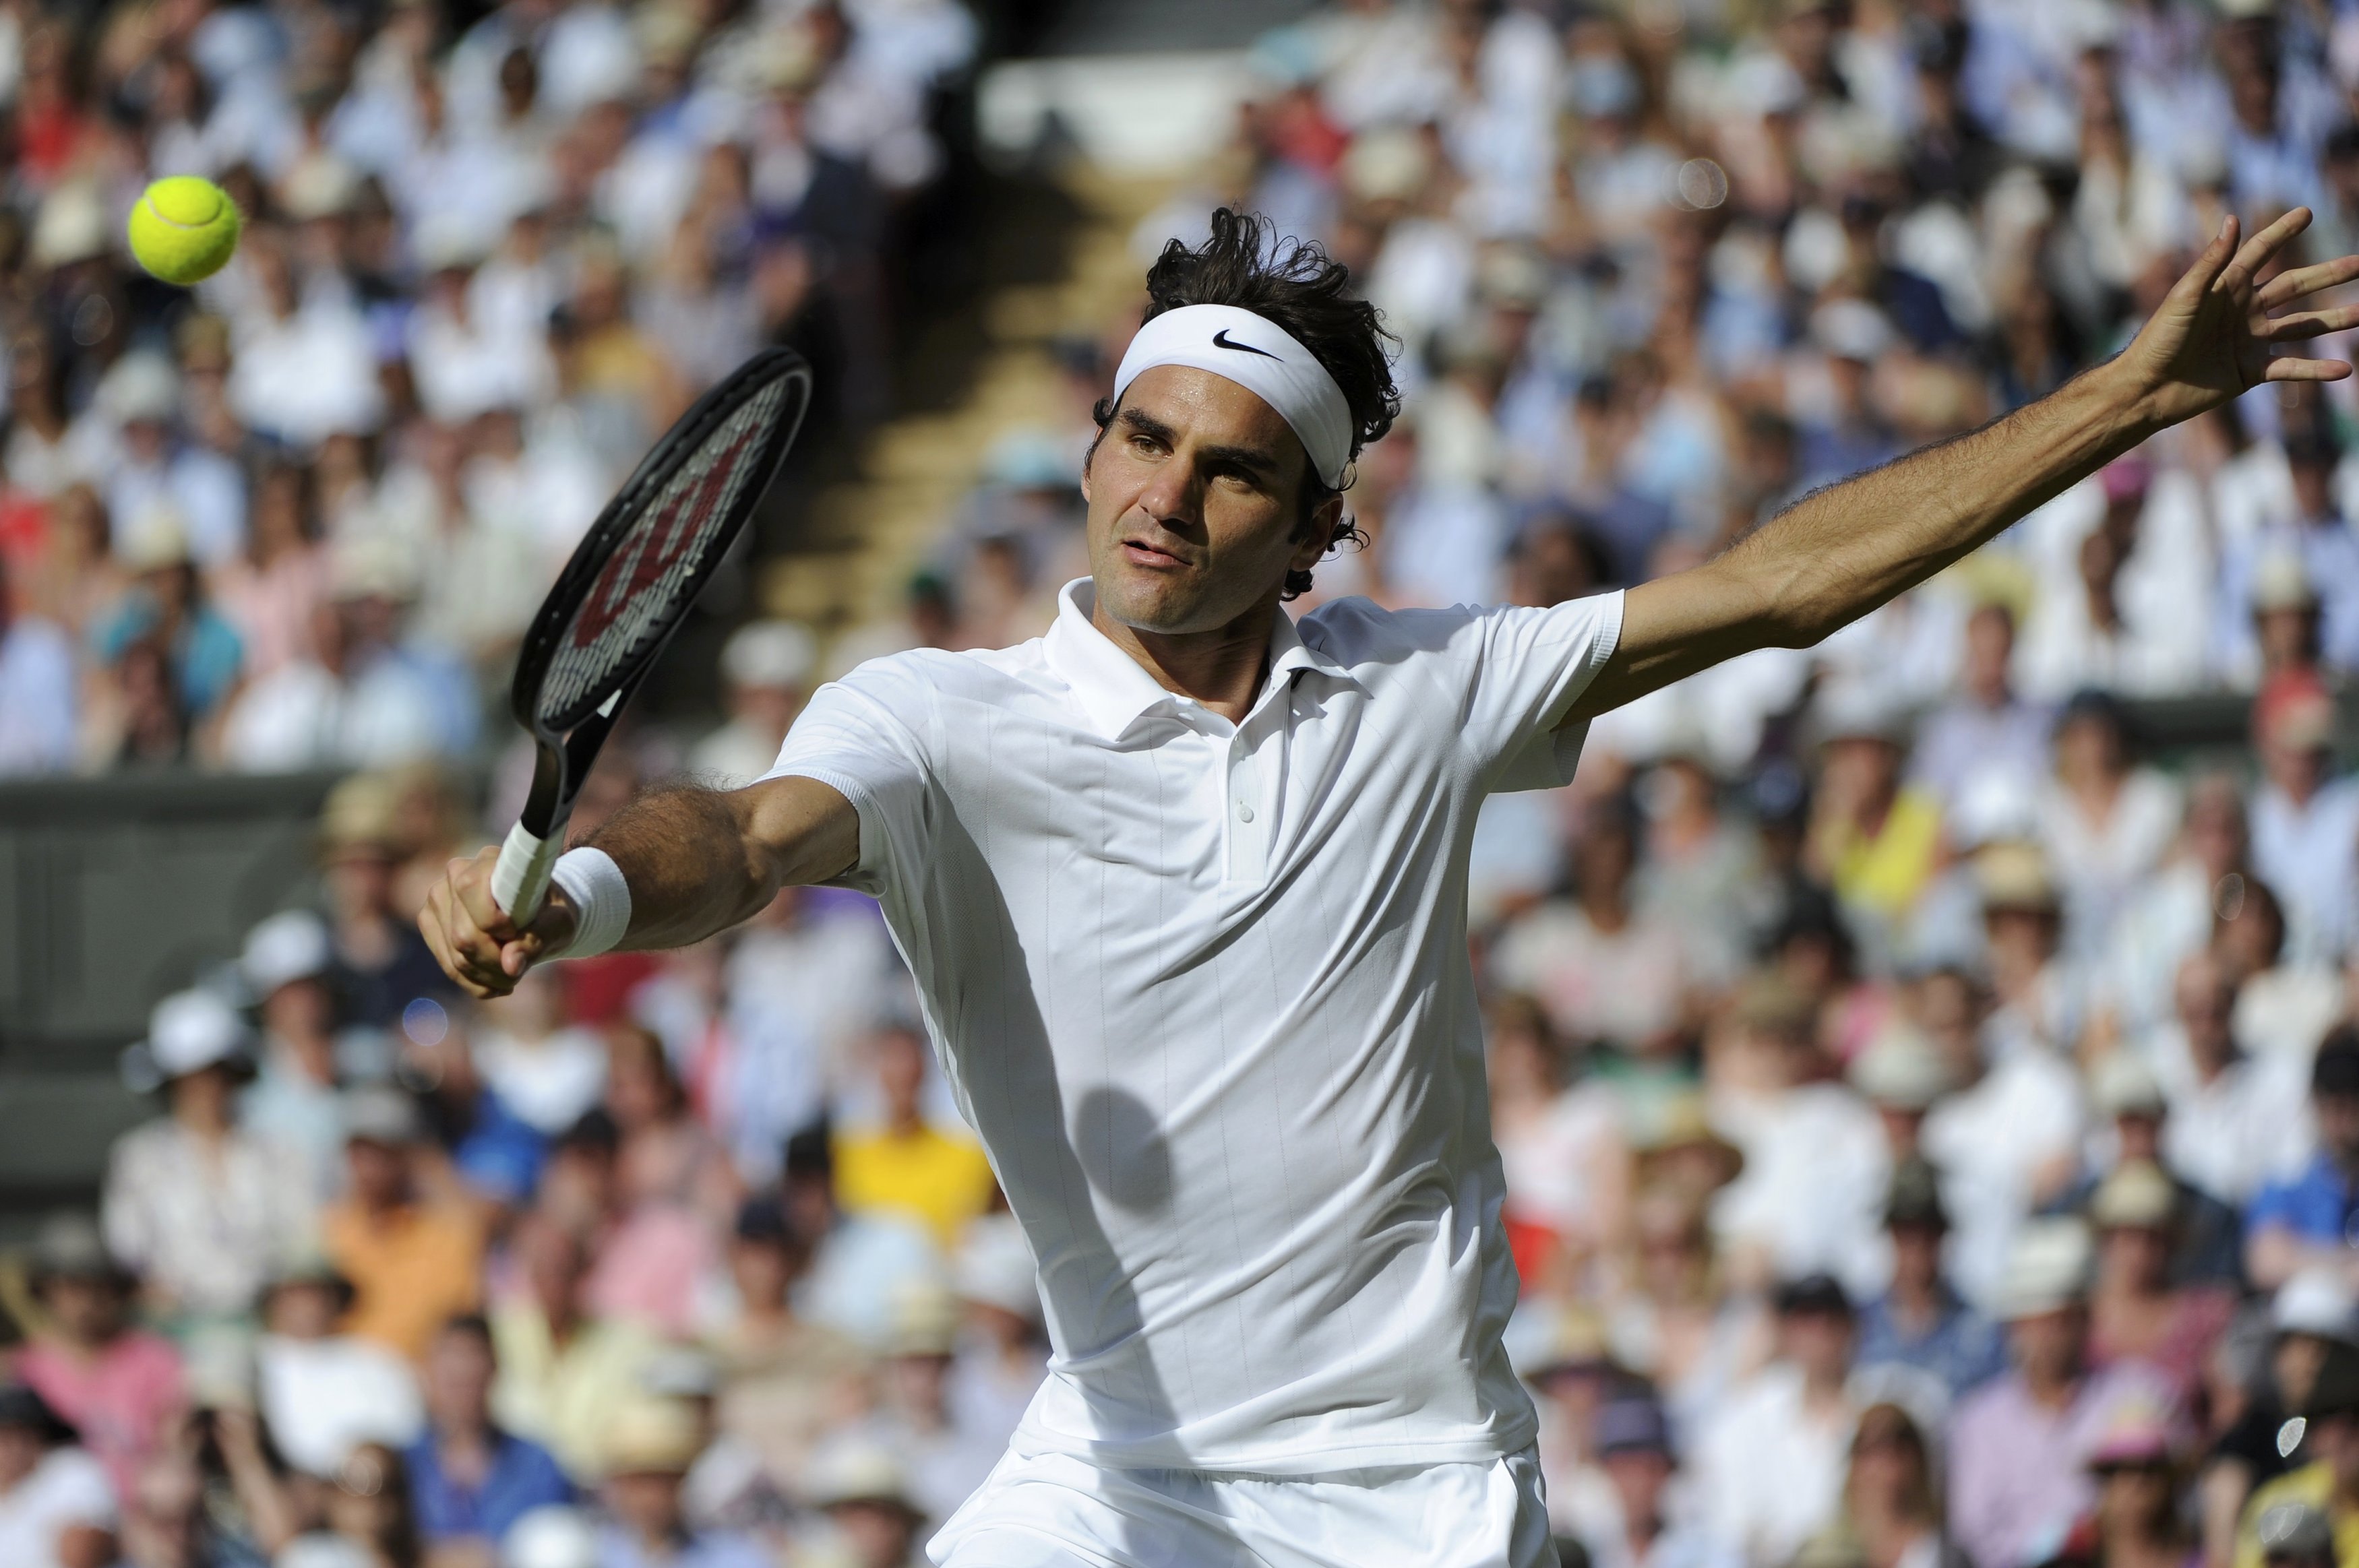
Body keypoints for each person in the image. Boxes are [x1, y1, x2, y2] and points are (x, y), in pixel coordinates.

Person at [422, 205, 2359, 1567]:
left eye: (1234, 471)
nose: (1166, 495)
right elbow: (738, 839)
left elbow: (1782, 581)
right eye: (1141, 436)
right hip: (1115, 1470)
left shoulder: (1426, 686)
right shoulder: (934, 720)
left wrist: (2129, 394)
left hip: (1420, 1490)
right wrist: (576, 892)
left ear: (1313, 525)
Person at [1948, 1220, 2180, 1568]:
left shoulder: (2140, 1393)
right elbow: (1975, 1533)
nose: (2047, 1336)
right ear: (2014, 1329)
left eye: (2060, 1320)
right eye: (2035, 1322)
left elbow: (2166, 1500)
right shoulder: (1978, 1423)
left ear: (2086, 1320)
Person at [102, 989, 313, 1325]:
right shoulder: (139, 1158)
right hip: (172, 1329)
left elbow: (300, 1238)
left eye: (217, 1074)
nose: (205, 1089)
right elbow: (128, 1253)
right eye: (190, 1079)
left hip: (269, 1323)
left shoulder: (278, 1152)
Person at [7, 1214, 183, 1503]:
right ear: (46, 1293)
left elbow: (174, 1454)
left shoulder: (156, 1360)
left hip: (142, 1512)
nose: (86, 1301)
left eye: (98, 1286)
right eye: (72, 1287)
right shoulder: (23, 1369)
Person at [320, 1085, 485, 1359]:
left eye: (384, 1153)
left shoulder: (446, 1240)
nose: (371, 1167)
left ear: (407, 1159)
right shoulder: (327, 1232)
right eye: (361, 1153)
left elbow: (456, 1327)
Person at [402, 1315, 573, 1559]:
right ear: (427, 1370)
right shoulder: (403, 1463)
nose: (462, 1369)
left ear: (495, 1368)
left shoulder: (536, 1462)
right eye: (449, 1356)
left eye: (473, 1355)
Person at [251, 1254, 424, 1478]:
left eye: (314, 1295)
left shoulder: (376, 1359)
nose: (305, 1307)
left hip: (373, 1482)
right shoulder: (254, 1362)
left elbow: (407, 1426)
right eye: (294, 1295)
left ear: (334, 1300)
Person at [832, 1024, 996, 1251]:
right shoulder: (848, 1153)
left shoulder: (967, 1157)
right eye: (891, 1060)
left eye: (908, 1061)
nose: (901, 1074)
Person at [1854, 1161, 2008, 1400]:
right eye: (1905, 1231)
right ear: (1890, 1235)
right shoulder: (1858, 1326)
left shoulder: (1979, 1332)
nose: (1917, 1244)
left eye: (1928, 1230)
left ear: (1944, 1234)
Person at [2245, 1031, 2359, 1291]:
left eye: (2352, 1102)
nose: (2341, 1117)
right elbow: (2266, 1262)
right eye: (2331, 1103)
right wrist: (2345, 1266)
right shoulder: (2290, 1178)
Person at [594, 1400, 768, 1568]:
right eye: (637, 1484)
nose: (651, 1497)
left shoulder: (734, 1557)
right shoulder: (592, 1555)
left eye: (662, 1481)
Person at [2234, 1340, 2359, 1568]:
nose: (2343, 1434)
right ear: (2311, 1438)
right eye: (2327, 1417)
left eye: (2356, 1417)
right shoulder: (2277, 1503)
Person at [1578, 1397, 1734, 1568]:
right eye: (1624, 1469)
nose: (1637, 1484)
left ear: (1666, 1474)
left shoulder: (1708, 1555)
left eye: (1649, 1469)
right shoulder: (1595, 1553)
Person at [0, 1384, 115, 1568]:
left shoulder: (71, 1470)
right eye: (5, 1437)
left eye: (24, 1434)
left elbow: (82, 1556)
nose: (15, 1447)